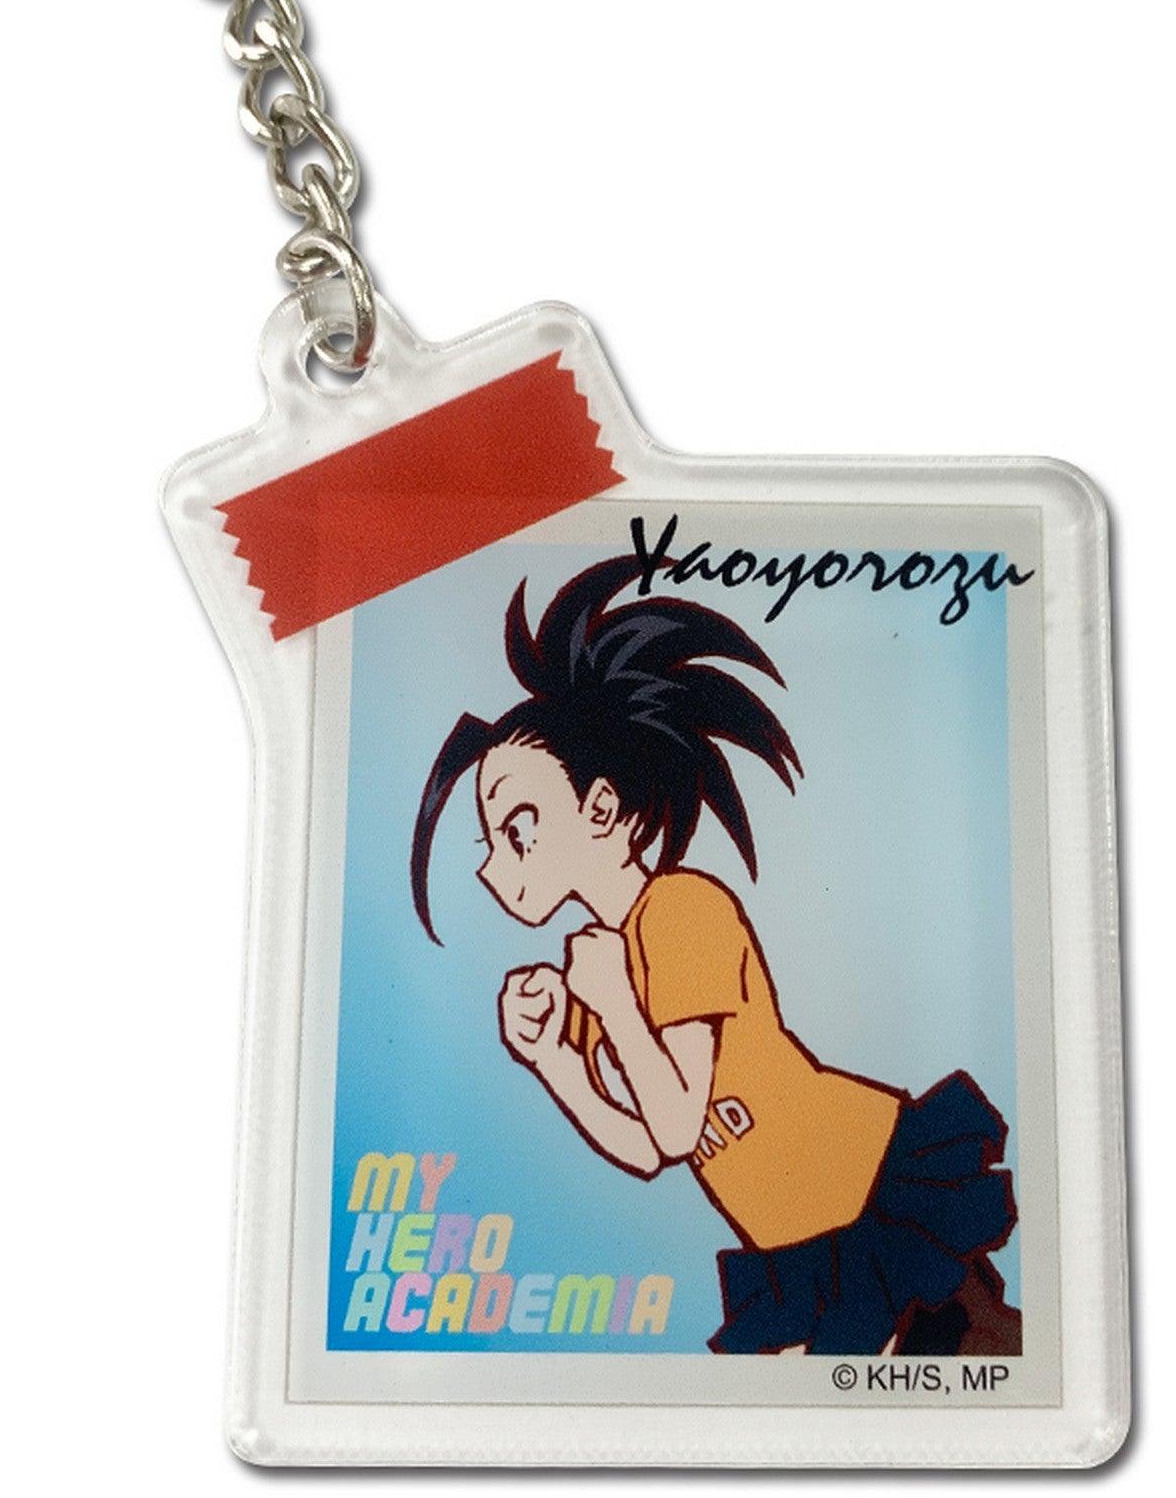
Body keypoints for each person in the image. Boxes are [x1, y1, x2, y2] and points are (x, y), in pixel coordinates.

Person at [411, 555, 1020, 1355]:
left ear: (601, 809)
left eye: (518, 829)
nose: (494, 866)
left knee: (972, 1359)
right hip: (794, 1241)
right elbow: (643, 1148)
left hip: (867, 1190)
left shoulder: (681, 911)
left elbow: (674, 1126)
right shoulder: (601, 963)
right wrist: (553, 1057)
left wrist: (614, 1003)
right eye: (489, 841)